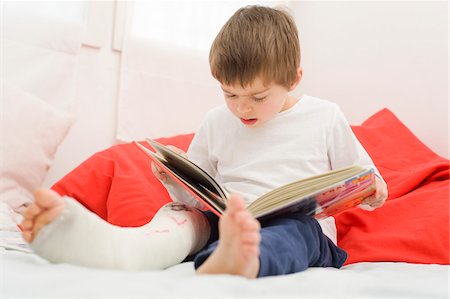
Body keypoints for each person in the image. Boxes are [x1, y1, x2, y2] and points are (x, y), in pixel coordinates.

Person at [21, 5, 388, 278]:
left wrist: (374, 189)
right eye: (229, 94)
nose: (242, 107)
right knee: (180, 217)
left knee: (296, 232)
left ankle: (245, 260)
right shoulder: (216, 122)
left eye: (258, 97)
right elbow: (198, 194)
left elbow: (362, 178)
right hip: (226, 220)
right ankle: (122, 250)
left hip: (299, 226)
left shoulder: (325, 116)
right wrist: (173, 180)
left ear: (293, 79)